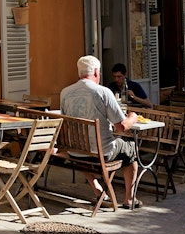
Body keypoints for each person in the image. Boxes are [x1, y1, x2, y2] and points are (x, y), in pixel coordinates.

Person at [61, 55, 143, 209]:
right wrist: (133, 117)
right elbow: (122, 127)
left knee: (84, 149)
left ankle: (97, 188)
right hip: (101, 153)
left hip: (76, 151)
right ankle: (129, 199)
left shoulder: (65, 92)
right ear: (97, 72)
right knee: (131, 147)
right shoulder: (103, 92)